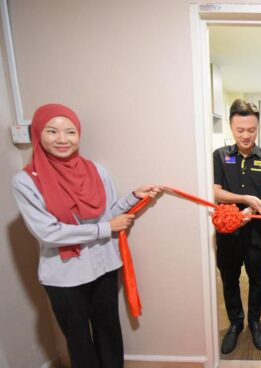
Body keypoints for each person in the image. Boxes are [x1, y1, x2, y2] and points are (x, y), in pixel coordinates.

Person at [11, 104, 162, 368]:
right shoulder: (25, 181)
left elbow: (108, 214)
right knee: (79, 340)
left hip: (103, 266)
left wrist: (133, 197)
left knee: (109, 332)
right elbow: (48, 233)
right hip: (65, 275)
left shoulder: (96, 170)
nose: (62, 139)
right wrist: (105, 229)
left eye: (70, 132)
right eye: (52, 131)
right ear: (38, 134)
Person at [213, 99, 261, 354]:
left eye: (251, 130)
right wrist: (243, 200)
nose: (246, 135)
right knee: (229, 279)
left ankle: (254, 321)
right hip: (227, 233)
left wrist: (255, 207)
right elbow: (216, 191)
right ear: (231, 128)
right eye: (240, 130)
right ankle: (235, 323)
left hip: (256, 234)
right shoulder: (220, 156)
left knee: (257, 279)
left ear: (258, 127)